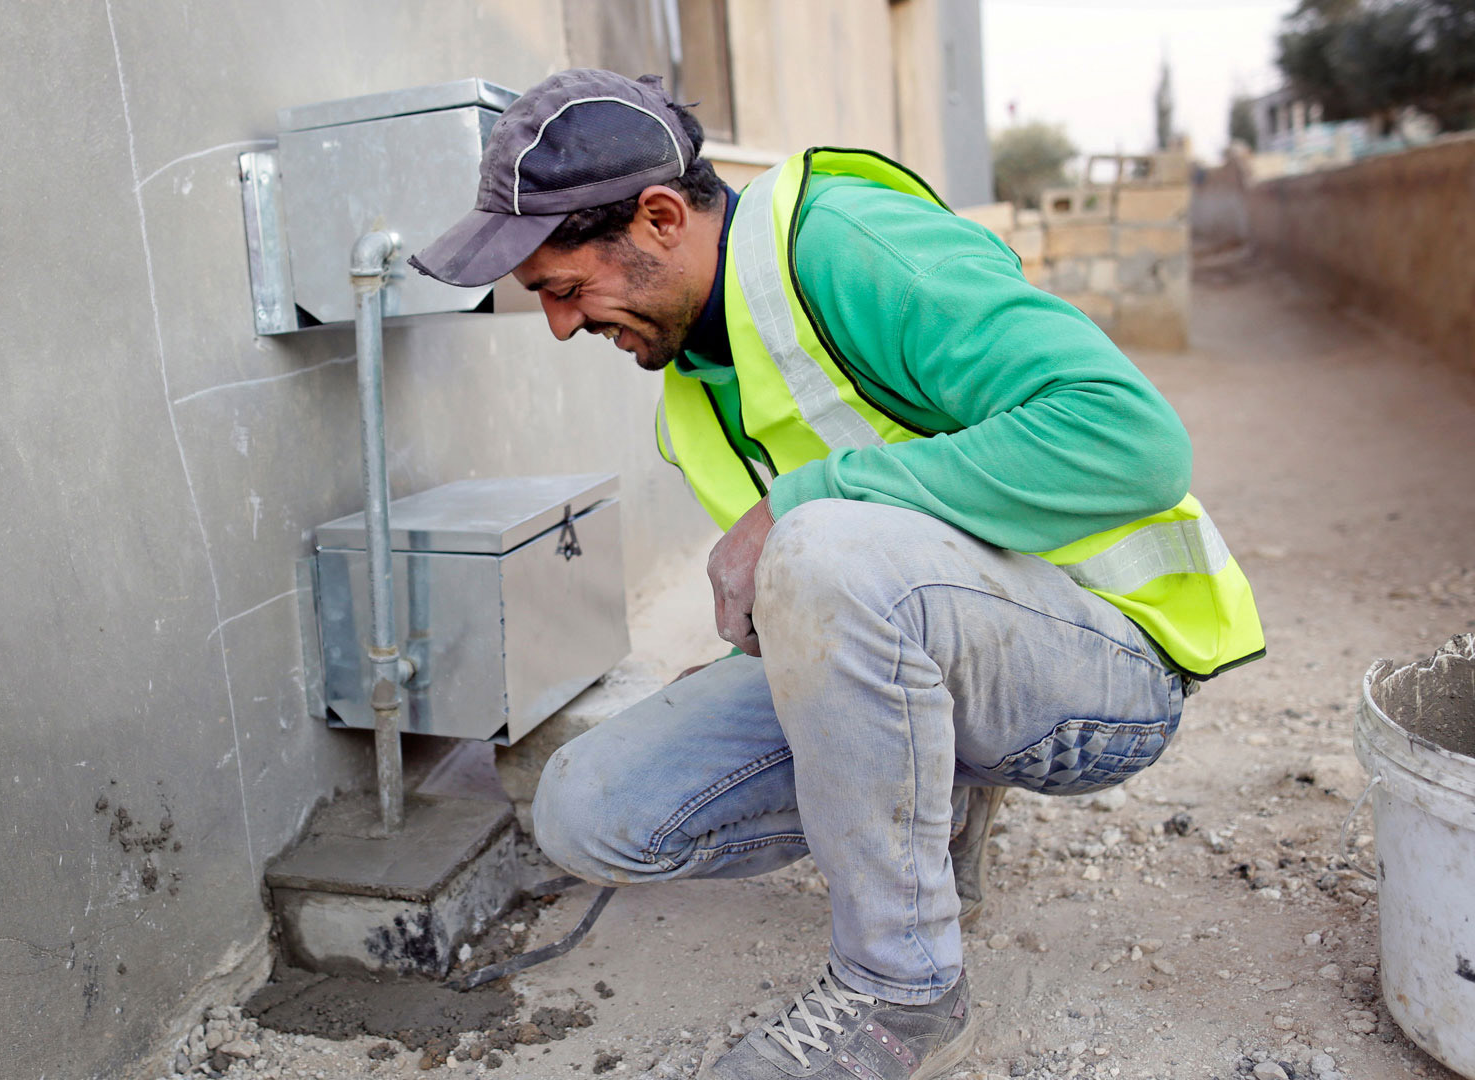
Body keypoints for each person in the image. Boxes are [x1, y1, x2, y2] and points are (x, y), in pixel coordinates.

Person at [410, 69, 1264, 1080]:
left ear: (659, 218)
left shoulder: (844, 244)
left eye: (564, 286)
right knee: (585, 810)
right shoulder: (693, 387)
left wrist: (803, 503)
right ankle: (934, 800)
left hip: (1112, 666)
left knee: (819, 540)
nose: (559, 324)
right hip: (939, 638)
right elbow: (831, 596)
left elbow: (1135, 441)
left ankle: (900, 993)